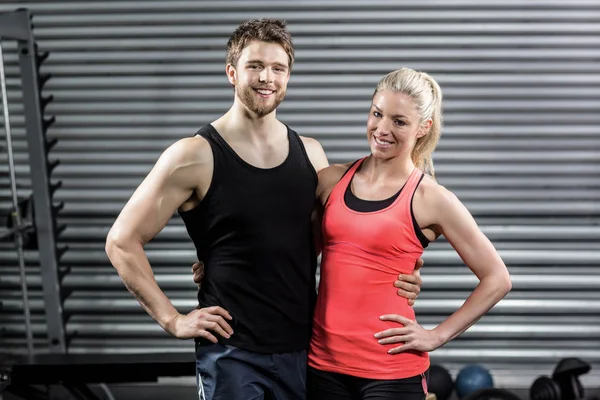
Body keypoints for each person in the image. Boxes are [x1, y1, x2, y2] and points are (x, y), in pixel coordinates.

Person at [105, 19, 422, 400]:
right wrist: (172, 319)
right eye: (254, 65)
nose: (266, 78)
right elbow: (122, 241)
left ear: (288, 76)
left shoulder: (311, 153)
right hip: (232, 353)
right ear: (231, 72)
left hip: (306, 349)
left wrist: (401, 271)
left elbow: (330, 239)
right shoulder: (193, 155)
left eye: (278, 68)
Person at [304, 67, 512, 400]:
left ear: (423, 128)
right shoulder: (330, 180)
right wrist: (219, 263)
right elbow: (294, 254)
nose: (382, 129)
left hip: (390, 370)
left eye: (399, 121)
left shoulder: (431, 199)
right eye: (377, 114)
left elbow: (497, 278)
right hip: (323, 365)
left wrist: (437, 336)